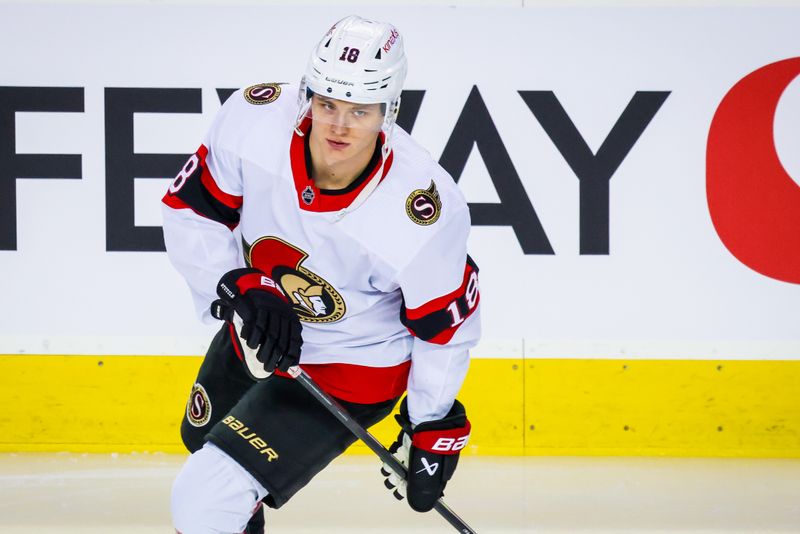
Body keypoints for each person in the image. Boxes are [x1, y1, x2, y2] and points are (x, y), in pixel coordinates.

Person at [163, 14, 481, 533]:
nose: (337, 126)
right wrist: (239, 284)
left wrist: (430, 425)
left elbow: (445, 332)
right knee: (202, 444)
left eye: (360, 110)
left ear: (390, 110)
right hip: (259, 330)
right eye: (327, 102)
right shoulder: (253, 120)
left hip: (351, 369)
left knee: (204, 498)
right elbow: (189, 210)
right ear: (308, 92)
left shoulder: (420, 210)